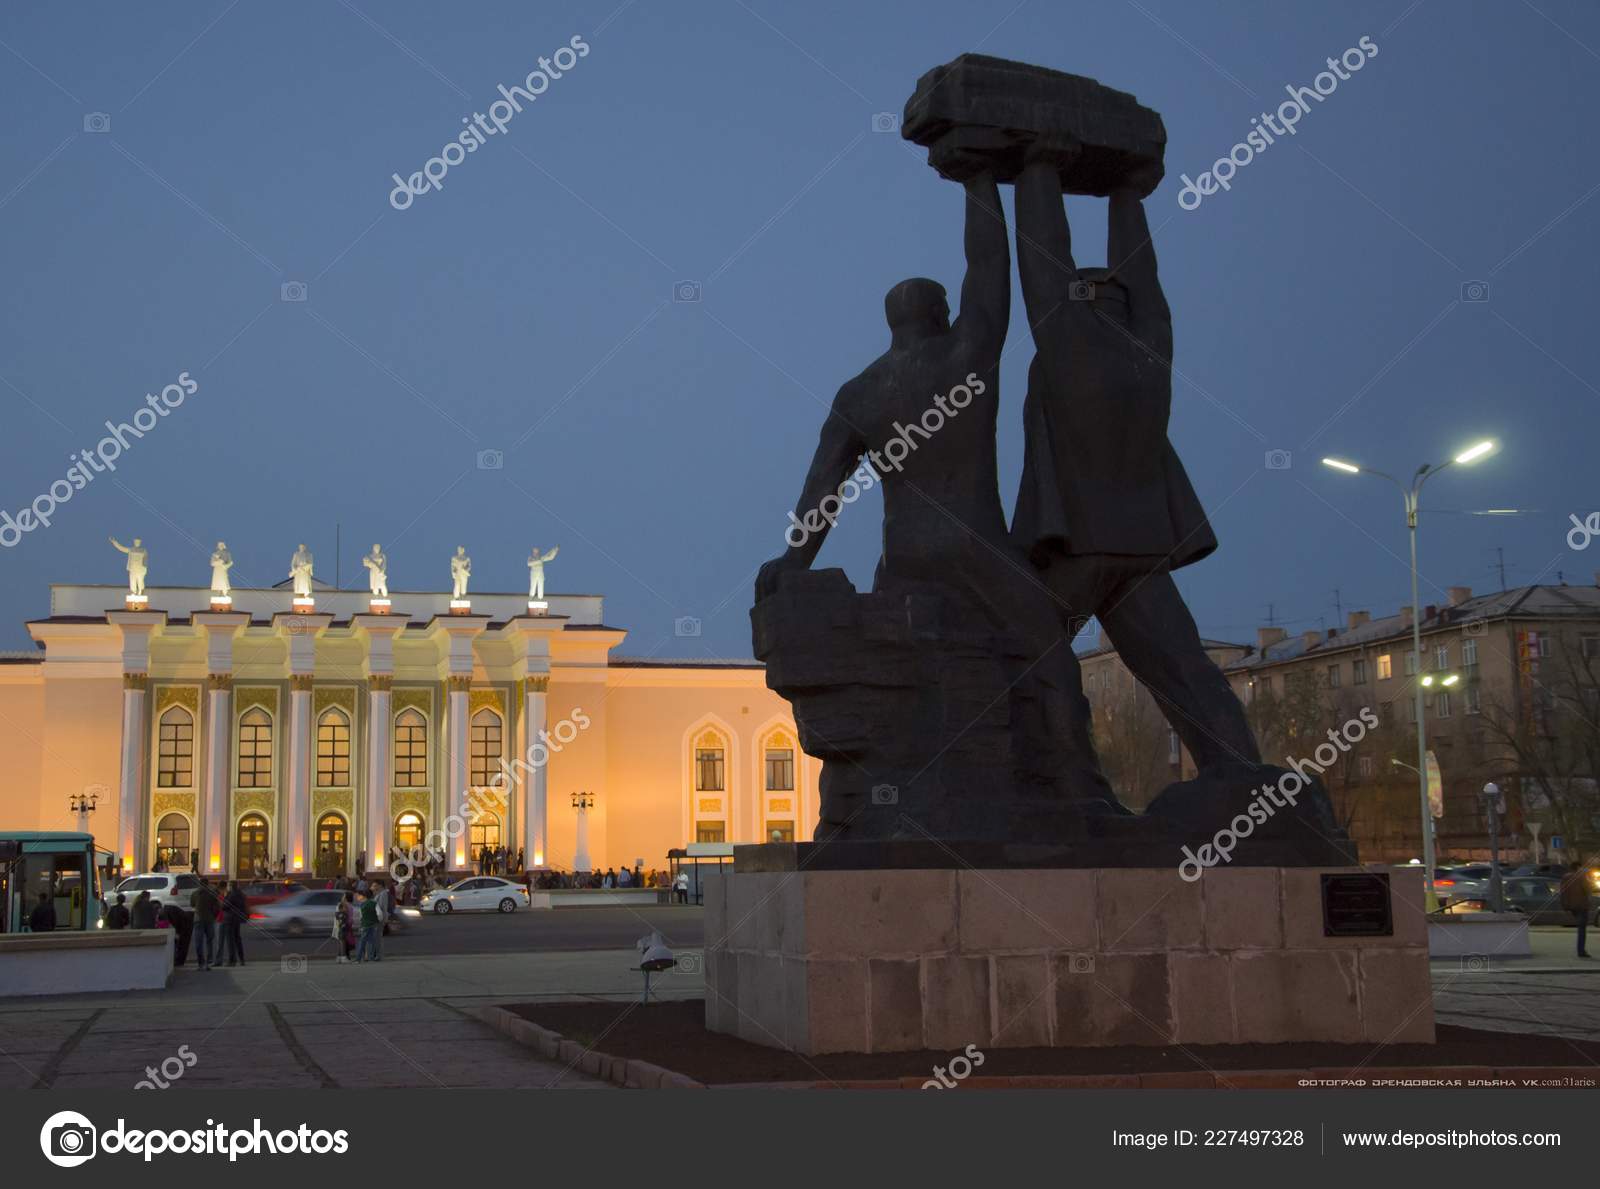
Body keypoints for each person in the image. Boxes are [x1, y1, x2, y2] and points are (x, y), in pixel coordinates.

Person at [754, 166, 1115, 815]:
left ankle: (881, 808)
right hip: (975, 544)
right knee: (1049, 653)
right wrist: (981, 177)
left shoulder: (858, 392)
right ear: (940, 313)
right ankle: (1079, 790)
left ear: (891, 324)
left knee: (911, 679)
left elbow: (821, 491)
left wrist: (791, 562)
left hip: (906, 559)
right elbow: (990, 269)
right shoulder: (966, 354)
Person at [1009, 148, 1259, 777]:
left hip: (1079, 550)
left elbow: (1043, 253)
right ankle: (1248, 786)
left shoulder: (1068, 343)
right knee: (1184, 670)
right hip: (1144, 548)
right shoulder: (1150, 348)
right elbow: (1142, 274)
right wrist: (1126, 190)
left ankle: (1053, 788)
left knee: (1014, 660)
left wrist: (1036, 161)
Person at [1560, 862, 1592, 958]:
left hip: (1571, 906)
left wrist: (1564, 905)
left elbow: (1562, 892)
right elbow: (1587, 890)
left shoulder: (1565, 877)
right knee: (1582, 929)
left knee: (1580, 927)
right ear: (1578, 868)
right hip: (1581, 905)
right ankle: (1581, 951)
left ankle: (1581, 950)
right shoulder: (1581, 877)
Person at [190, 878, 218, 969]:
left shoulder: (195, 893)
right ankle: (209, 961)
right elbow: (216, 907)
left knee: (199, 942)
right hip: (209, 920)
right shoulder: (212, 894)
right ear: (208, 884)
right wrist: (213, 916)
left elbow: (192, 904)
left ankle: (201, 963)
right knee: (209, 941)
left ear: (200, 884)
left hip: (198, 920)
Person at [220, 881, 248, 966]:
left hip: (229, 919)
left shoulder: (231, 895)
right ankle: (242, 959)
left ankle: (232, 960)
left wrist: (224, 898)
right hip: (237, 919)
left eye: (229, 885)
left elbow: (224, 906)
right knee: (237, 939)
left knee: (230, 941)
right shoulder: (242, 894)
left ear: (231, 886)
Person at [160, 901, 193, 965]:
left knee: (183, 942)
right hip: (186, 920)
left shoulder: (164, 913)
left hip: (186, 922)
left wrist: (177, 933)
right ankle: (180, 961)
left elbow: (171, 924)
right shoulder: (166, 909)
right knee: (183, 943)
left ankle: (179, 962)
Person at [355, 890, 381, 963]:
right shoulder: (374, 903)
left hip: (365, 925)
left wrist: (361, 925)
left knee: (362, 941)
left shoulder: (362, 905)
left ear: (363, 896)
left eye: (359, 895)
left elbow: (361, 917)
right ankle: (372, 957)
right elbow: (379, 914)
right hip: (373, 924)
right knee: (371, 941)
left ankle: (358, 958)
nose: (357, 897)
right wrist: (377, 920)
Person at [334, 893, 355, 963]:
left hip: (341, 926)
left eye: (343, 896)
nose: (342, 897)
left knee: (341, 941)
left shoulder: (344, 905)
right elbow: (350, 918)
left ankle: (339, 957)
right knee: (343, 942)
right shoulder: (348, 906)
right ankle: (343, 957)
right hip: (346, 926)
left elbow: (337, 916)